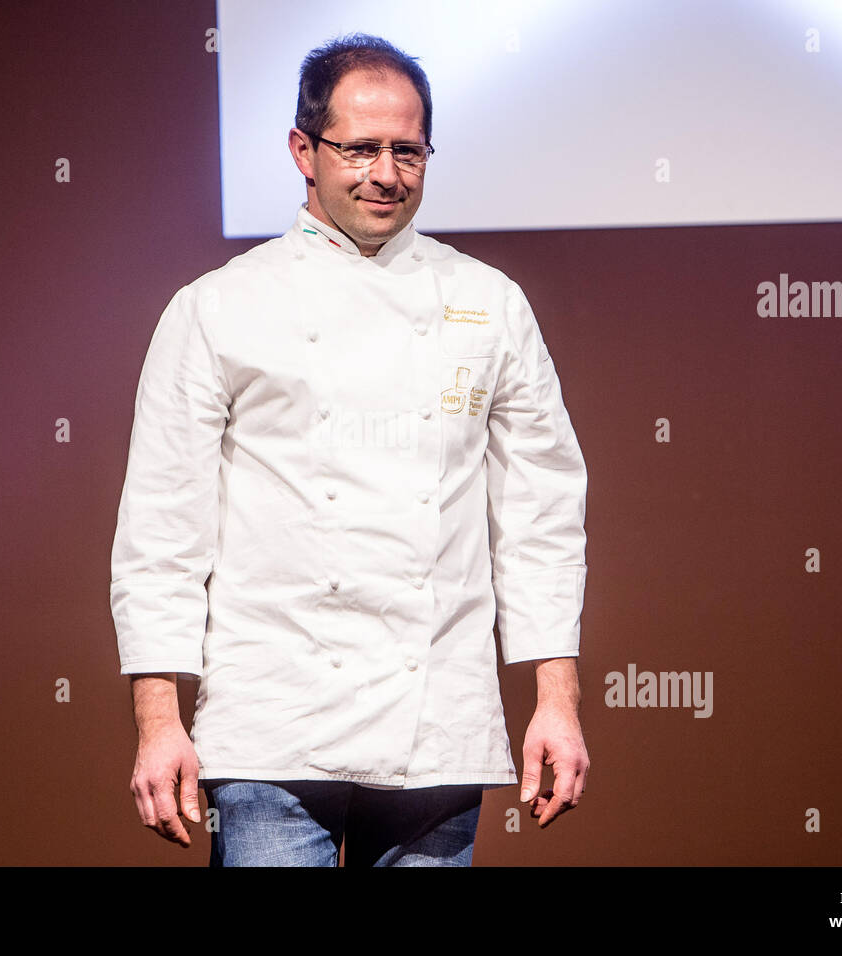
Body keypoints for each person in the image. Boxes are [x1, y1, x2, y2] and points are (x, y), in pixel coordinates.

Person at [110, 33, 590, 867]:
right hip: (271, 718)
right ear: (304, 150)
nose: (386, 173)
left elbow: (540, 516)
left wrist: (558, 699)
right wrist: (159, 721)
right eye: (360, 148)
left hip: (433, 715)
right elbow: (162, 531)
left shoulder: (489, 303)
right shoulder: (217, 309)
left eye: (408, 150)